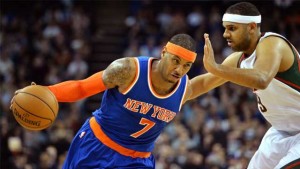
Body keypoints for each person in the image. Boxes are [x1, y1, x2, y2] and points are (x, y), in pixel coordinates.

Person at [11, 34, 233, 168]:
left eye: (186, 66)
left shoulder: (185, 88)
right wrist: (45, 92)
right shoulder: (128, 70)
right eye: (176, 61)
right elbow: (82, 87)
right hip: (96, 146)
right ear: (164, 52)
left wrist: (245, 60)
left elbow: (215, 77)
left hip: (138, 161)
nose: (179, 70)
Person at [203, 2, 300, 169]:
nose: (226, 34)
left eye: (232, 28)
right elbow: (203, 83)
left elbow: (261, 79)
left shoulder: (272, 43)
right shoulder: (239, 59)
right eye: (225, 28)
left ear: (252, 27)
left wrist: (217, 68)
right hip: (280, 131)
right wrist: (170, 93)